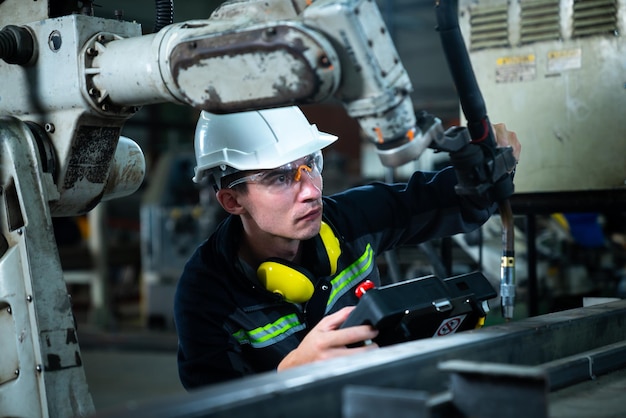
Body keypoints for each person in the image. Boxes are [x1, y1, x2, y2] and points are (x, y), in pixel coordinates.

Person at [174, 106, 521, 389]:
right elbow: (215, 409)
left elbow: (443, 201)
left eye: (312, 164)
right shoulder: (206, 293)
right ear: (232, 201)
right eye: (280, 178)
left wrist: (486, 171)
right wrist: (288, 375)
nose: (311, 190)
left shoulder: (350, 221)